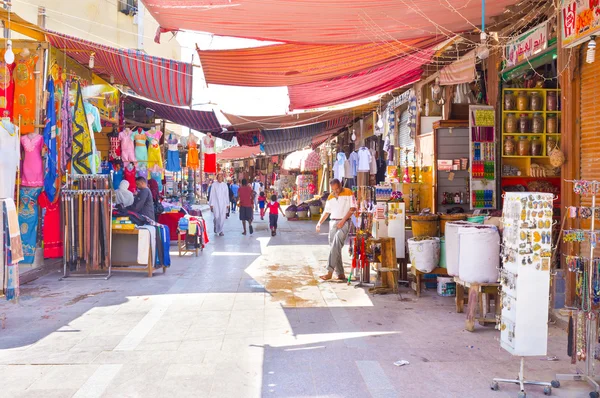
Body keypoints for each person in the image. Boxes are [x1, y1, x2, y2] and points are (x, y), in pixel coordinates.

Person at [316, 179, 357, 281]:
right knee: (334, 247)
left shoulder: (348, 192)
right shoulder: (330, 197)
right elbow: (326, 212)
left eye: (337, 188)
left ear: (341, 185)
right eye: (333, 189)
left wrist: (343, 221)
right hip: (333, 223)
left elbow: (353, 208)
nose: (336, 191)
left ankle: (329, 272)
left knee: (336, 243)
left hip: (345, 222)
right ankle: (340, 274)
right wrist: (319, 223)